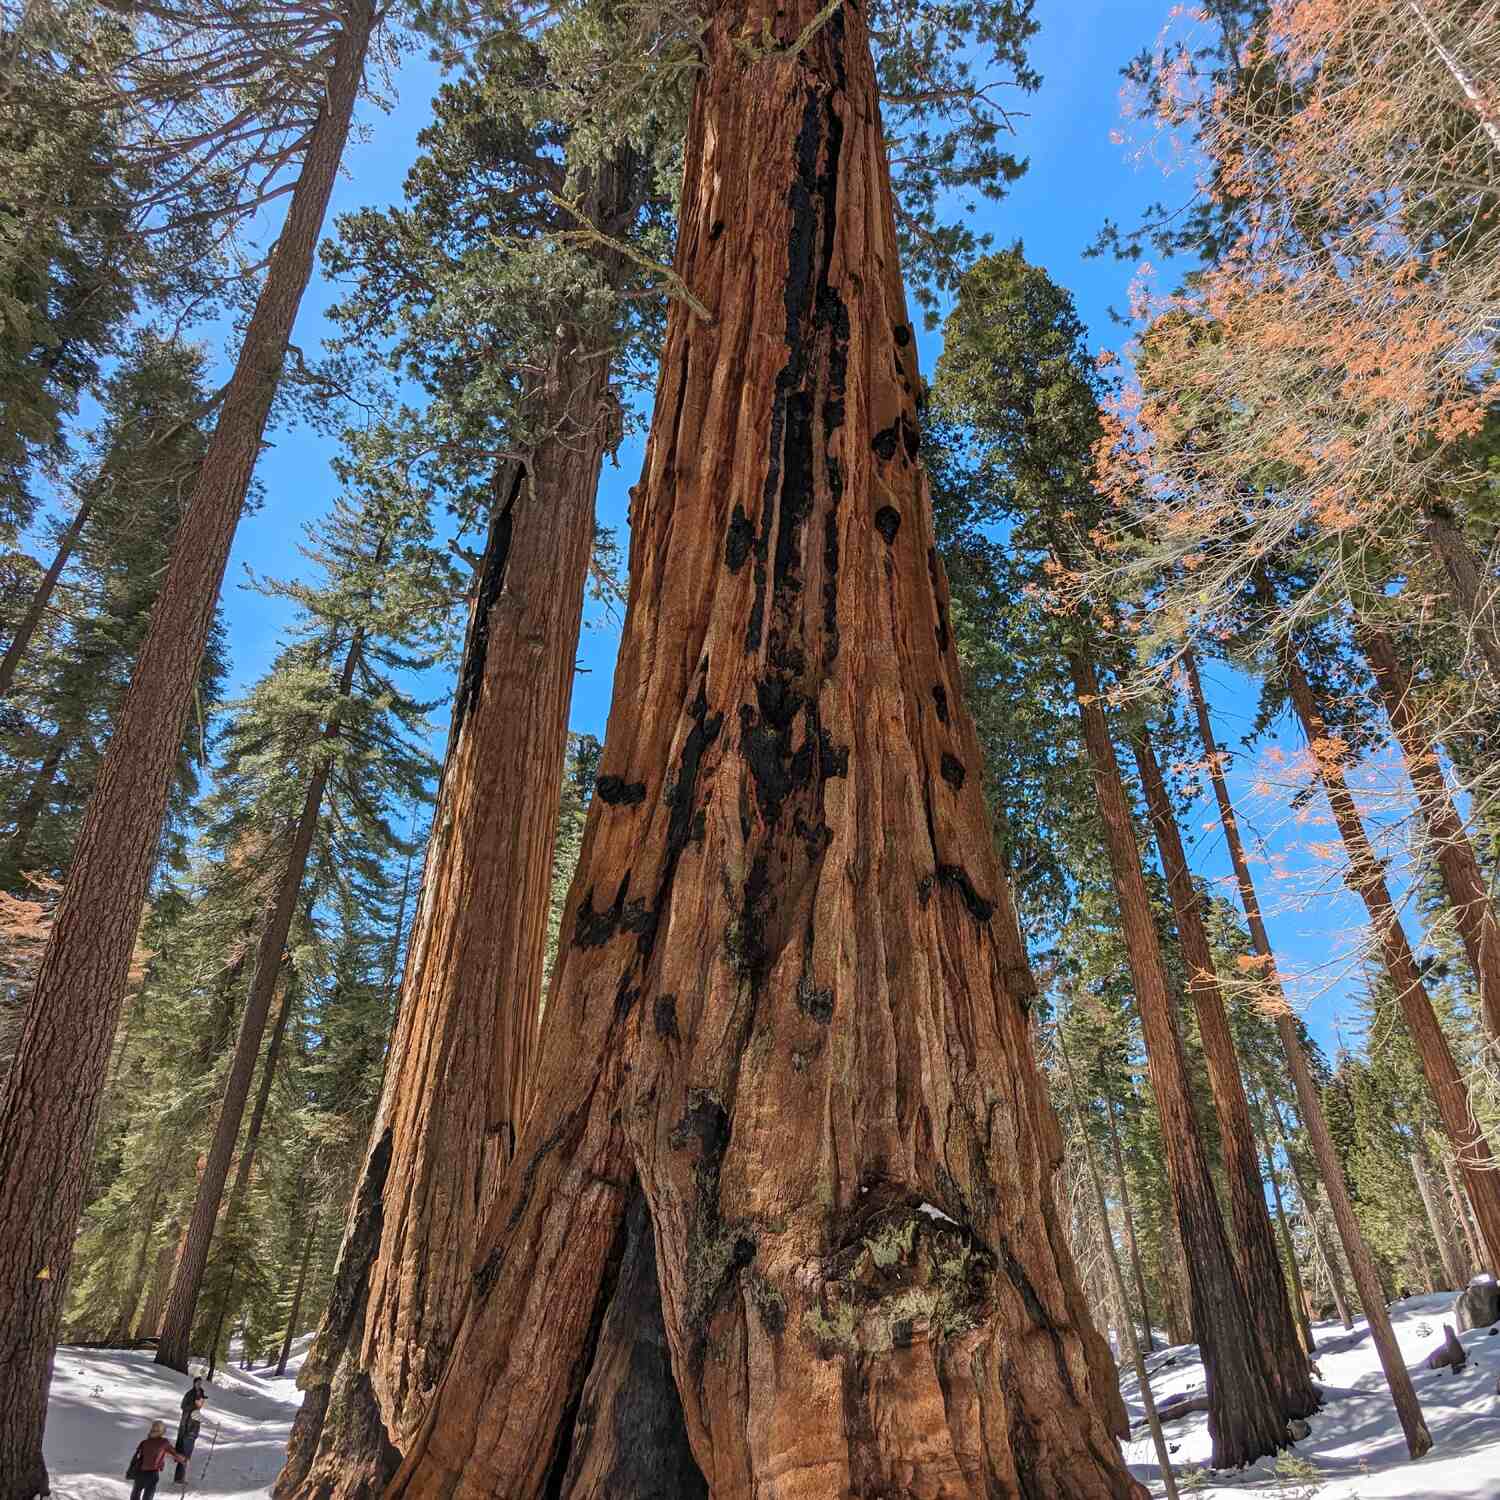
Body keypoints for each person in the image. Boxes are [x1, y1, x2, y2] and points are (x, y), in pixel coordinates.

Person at [127, 1421, 188, 1500]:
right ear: (162, 1432)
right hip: (152, 1474)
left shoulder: (144, 1442)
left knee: (135, 1494)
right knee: (148, 1496)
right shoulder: (164, 1442)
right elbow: (175, 1455)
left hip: (140, 1472)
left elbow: (137, 1457)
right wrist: (185, 1460)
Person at [173, 1396, 205, 1485]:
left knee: (183, 1456)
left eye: (203, 1402)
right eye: (201, 1401)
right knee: (186, 1457)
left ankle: (179, 1477)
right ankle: (180, 1478)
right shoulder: (194, 1411)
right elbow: (201, 1421)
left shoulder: (190, 1410)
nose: (202, 1403)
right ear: (196, 1401)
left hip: (187, 1436)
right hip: (189, 1437)